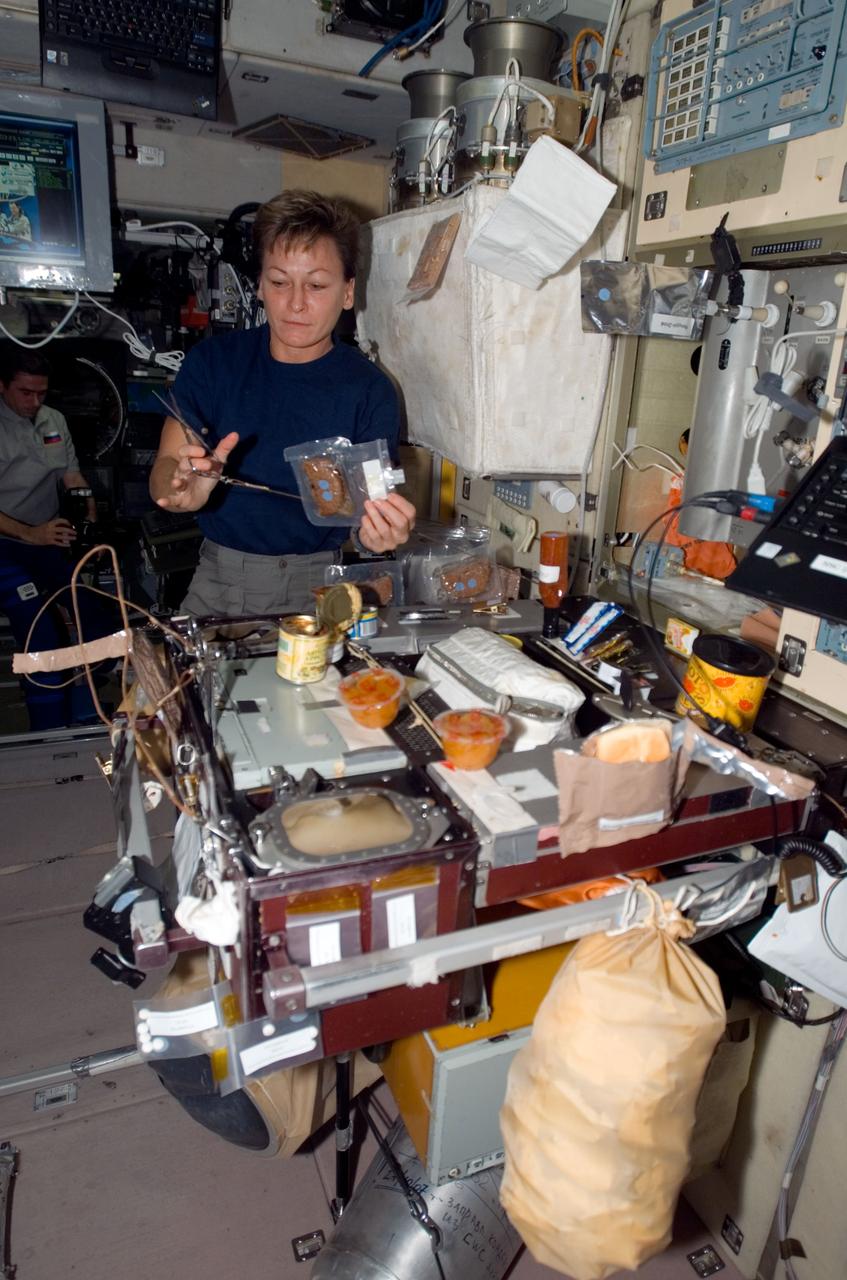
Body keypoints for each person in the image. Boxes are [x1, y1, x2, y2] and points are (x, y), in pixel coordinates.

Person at [150, 189, 416, 616]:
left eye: (316, 285)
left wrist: (379, 534)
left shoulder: (370, 391)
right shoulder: (213, 364)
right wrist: (179, 490)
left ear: (348, 292)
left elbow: (369, 517)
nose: (295, 303)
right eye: (279, 282)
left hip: (320, 588)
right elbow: (165, 468)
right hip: (219, 582)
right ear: (260, 286)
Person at [0, 347, 112, 729]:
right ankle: (47, 730)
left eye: (41, 393)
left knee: (93, 611)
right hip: (6, 545)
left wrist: (88, 519)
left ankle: (90, 696)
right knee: (39, 628)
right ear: (2, 387)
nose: (34, 402)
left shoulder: (53, 421)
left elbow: (72, 478)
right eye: (24, 393)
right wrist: (31, 533)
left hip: (44, 537)